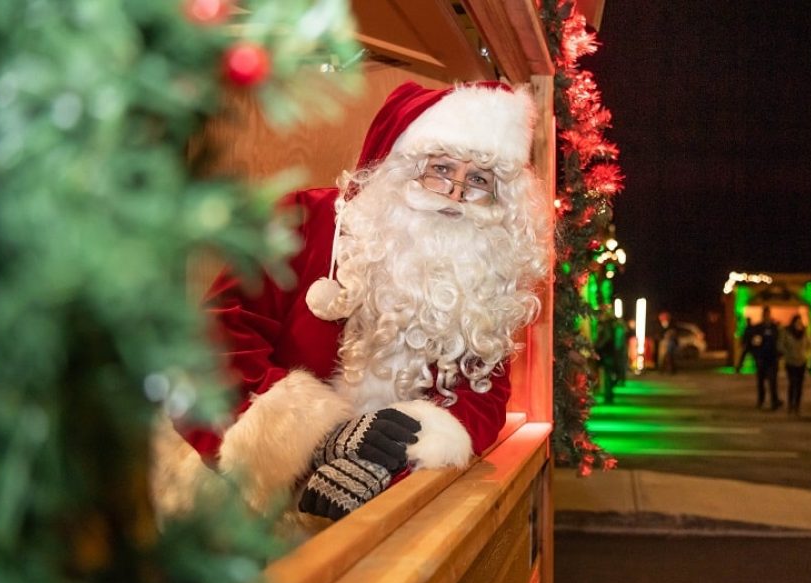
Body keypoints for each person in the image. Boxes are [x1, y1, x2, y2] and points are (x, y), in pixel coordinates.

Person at [152, 81, 551, 527]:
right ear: (402, 166)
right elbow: (209, 344)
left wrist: (392, 455)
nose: (456, 194)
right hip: (237, 502)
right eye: (440, 168)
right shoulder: (303, 219)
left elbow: (482, 396)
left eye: (478, 180)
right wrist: (317, 441)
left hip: (373, 518)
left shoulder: (479, 273)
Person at [737, 306, 782, 410]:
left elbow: (779, 342)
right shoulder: (758, 328)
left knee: (773, 381)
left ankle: (774, 401)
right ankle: (761, 400)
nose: (767, 316)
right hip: (762, 358)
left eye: (768, 314)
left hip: (772, 358)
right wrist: (756, 355)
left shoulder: (774, 328)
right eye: (765, 315)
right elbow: (753, 343)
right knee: (761, 382)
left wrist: (779, 354)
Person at [778, 314, 811, 415]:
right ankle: (790, 405)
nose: (799, 324)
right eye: (797, 322)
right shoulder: (786, 332)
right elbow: (780, 345)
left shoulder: (804, 333)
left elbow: (809, 344)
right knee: (792, 384)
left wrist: (806, 355)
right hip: (790, 362)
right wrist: (787, 353)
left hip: (801, 361)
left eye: (800, 322)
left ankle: (797, 405)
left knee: (800, 385)